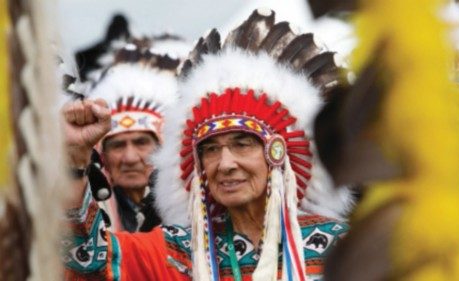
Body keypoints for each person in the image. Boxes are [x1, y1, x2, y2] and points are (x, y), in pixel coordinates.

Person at [62, 9, 352, 280]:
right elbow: (89, 261)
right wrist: (75, 160)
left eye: (242, 144)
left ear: (278, 153)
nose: (224, 164)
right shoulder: (177, 252)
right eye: (210, 149)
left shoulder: (341, 249)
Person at [85, 41, 183, 232]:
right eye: (118, 145)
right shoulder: (88, 214)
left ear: (163, 149)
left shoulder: (190, 212)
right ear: (103, 156)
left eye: (141, 142)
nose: (130, 157)